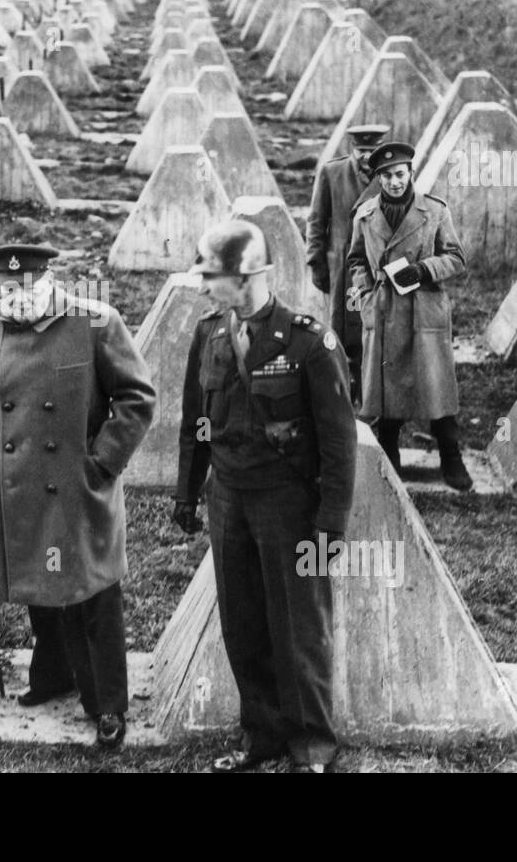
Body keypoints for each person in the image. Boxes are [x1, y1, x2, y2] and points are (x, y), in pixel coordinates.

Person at [0, 245, 156, 751]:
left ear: (50, 279)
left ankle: (107, 702)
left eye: (29, 284)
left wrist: (101, 461)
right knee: (38, 579)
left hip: (79, 484)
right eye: (7, 287)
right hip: (15, 484)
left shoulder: (95, 321)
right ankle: (54, 674)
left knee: (94, 591)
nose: (18, 296)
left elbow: (136, 398)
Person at [173, 219, 356, 773]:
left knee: (298, 628)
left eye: (213, 275)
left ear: (248, 276)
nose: (204, 285)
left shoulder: (308, 342)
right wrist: (188, 492)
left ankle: (311, 748)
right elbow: (196, 422)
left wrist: (330, 524)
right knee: (243, 623)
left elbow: (339, 442)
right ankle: (264, 737)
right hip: (229, 499)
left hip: (288, 506)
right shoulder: (209, 333)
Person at [346, 141, 471, 490]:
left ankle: (451, 456)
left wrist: (424, 270)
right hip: (384, 310)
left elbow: (458, 258)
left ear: (411, 173)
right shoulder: (366, 215)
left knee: (436, 386)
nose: (394, 182)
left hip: (423, 310)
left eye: (399, 174)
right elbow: (355, 259)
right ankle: (389, 457)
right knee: (386, 393)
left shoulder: (434, 211)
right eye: (386, 176)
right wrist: (367, 289)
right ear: (378, 179)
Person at [306, 124, 389, 401]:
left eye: (372, 151)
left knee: (375, 327)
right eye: (361, 151)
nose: (367, 157)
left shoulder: (390, 176)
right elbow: (317, 221)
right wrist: (316, 262)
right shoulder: (333, 172)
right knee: (343, 332)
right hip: (343, 267)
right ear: (352, 149)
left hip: (377, 266)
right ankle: (343, 391)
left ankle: (371, 392)